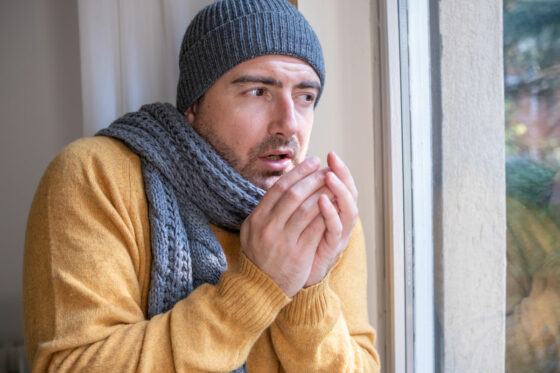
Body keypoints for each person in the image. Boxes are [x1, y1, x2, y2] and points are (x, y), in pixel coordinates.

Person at [23, 0, 380, 371]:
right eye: (258, 91)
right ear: (194, 104)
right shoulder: (96, 177)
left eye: (305, 97)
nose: (289, 124)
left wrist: (309, 293)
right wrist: (256, 289)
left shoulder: (323, 213)